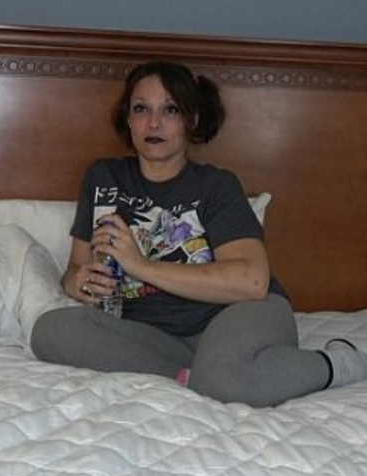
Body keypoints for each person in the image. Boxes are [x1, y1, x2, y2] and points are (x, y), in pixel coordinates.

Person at [31, 61, 367, 407]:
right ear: (128, 119)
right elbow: (74, 270)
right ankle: (195, 376)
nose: (154, 123)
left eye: (170, 110)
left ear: (190, 119)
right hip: (154, 336)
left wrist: (141, 265)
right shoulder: (103, 178)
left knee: (226, 383)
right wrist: (79, 282)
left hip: (234, 314)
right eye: (141, 109)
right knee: (51, 330)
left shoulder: (216, 186)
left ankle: (339, 362)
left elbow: (251, 282)